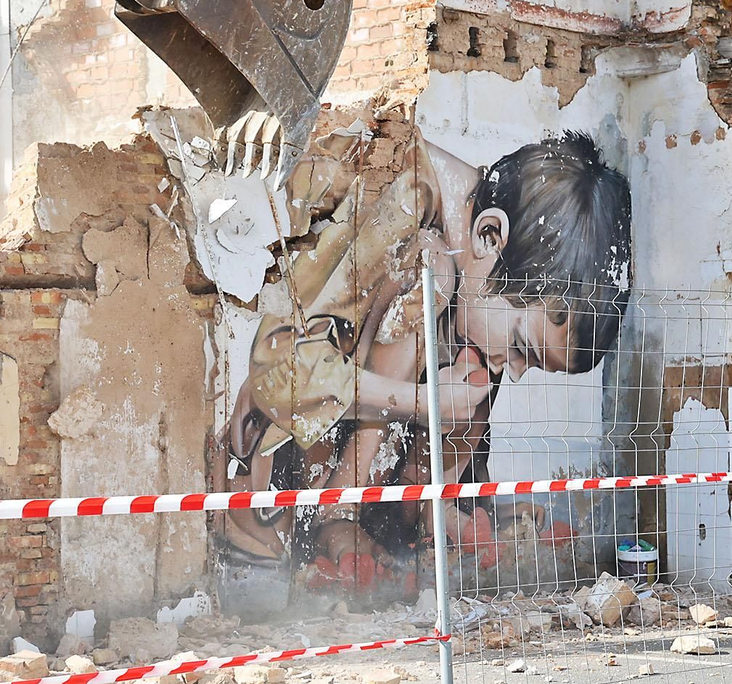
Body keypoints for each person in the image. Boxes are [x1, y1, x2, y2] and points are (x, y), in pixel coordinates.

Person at [217, 120, 631, 598]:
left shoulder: (474, 265)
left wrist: (455, 509)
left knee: (477, 348)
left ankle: (429, 514)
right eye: (523, 347)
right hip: (271, 484)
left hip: (371, 487)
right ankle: (340, 518)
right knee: (432, 274)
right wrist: (423, 403)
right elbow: (278, 376)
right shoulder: (404, 196)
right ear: (490, 235)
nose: (515, 370)